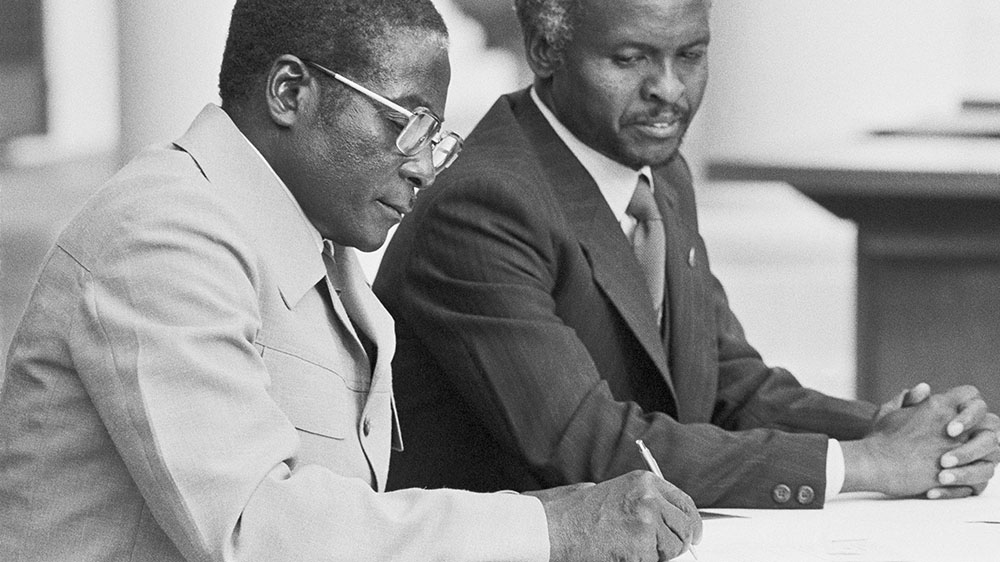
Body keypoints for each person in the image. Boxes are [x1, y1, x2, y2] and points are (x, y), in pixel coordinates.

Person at [0, 1, 702, 561]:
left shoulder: (313, 243)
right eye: (406, 123)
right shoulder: (161, 236)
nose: (427, 166)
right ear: (288, 92)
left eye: (438, 136)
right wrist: (553, 528)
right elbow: (257, 532)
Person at [374, 0, 1000, 509]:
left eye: (691, 56)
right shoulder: (484, 207)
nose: (668, 90)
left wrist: (895, 433)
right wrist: (869, 464)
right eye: (630, 58)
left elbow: (731, 383)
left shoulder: (658, 172)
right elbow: (590, 449)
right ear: (545, 52)